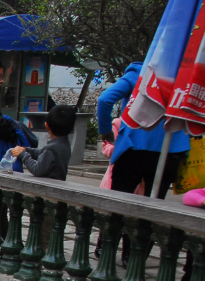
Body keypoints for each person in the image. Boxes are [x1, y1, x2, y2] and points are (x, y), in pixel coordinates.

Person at [97, 62, 190, 200]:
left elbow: (105, 100)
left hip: (132, 148)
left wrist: (105, 130)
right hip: (170, 151)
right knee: (152, 210)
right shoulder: (187, 78)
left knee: (118, 205)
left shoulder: (139, 73)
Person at [10, 105, 75, 180]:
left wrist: (23, 155)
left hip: (48, 187)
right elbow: (42, 153)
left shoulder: (51, 149)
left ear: (46, 125)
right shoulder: (64, 144)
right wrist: (26, 150)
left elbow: (37, 170)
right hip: (58, 184)